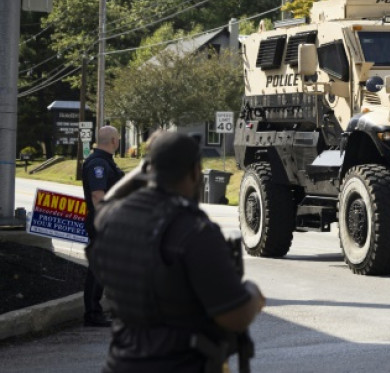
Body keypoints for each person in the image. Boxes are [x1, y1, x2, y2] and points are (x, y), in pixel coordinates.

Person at [87, 131, 265, 373]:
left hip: (120, 364)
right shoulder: (195, 231)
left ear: (150, 170)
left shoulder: (112, 219)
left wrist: (144, 168)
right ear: (195, 172)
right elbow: (234, 315)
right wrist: (252, 293)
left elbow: (106, 202)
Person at [81, 125, 124, 328]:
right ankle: (92, 313)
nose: (119, 141)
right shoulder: (98, 163)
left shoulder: (106, 162)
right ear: (114, 141)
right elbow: (98, 195)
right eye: (118, 139)